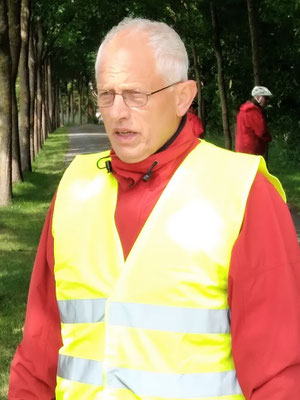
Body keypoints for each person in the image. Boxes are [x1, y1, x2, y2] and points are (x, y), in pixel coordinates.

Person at [8, 18, 300, 400]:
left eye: (135, 95)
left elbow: (281, 375)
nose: (117, 112)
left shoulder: (244, 193)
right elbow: (37, 355)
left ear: (183, 96)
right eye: (107, 94)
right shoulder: (74, 188)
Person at [235, 86, 272, 158]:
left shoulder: (243, 110)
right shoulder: (253, 112)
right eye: (266, 98)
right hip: (252, 150)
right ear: (258, 98)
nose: (267, 101)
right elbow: (261, 131)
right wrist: (268, 138)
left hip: (241, 148)